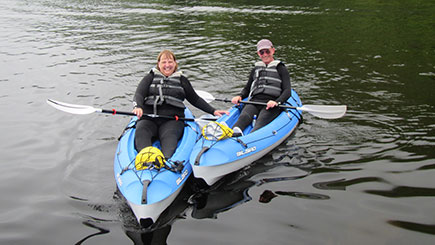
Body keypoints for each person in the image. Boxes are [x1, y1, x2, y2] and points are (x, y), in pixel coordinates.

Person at [132, 50, 228, 158]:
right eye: (164, 62)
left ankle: (165, 163)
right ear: (158, 64)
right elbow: (139, 94)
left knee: (170, 143)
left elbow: (195, 99)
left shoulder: (182, 80)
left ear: (175, 63)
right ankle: (146, 160)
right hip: (149, 118)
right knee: (141, 135)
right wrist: (138, 106)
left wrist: (213, 111)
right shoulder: (149, 78)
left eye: (170, 62)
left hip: (172, 120)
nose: (167, 65)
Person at [231, 39, 292, 136]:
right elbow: (247, 88)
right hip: (255, 101)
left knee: (261, 121)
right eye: (261, 52)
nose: (265, 54)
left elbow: (287, 91)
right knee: (243, 117)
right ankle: (233, 136)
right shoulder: (255, 69)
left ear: (273, 50)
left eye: (267, 51)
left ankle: (251, 138)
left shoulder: (281, 68)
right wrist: (240, 96)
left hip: (271, 104)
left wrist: (277, 102)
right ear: (258, 53)